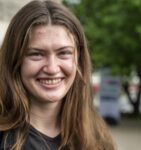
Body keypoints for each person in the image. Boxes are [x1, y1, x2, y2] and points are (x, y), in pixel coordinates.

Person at [0, 0, 116, 149]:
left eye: (64, 53)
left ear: (78, 59)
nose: (52, 68)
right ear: (14, 59)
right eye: (36, 54)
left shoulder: (97, 136)